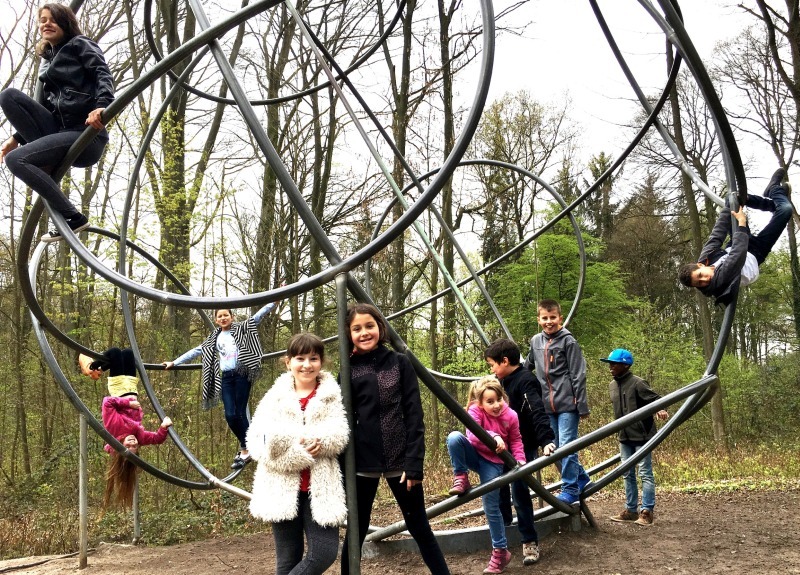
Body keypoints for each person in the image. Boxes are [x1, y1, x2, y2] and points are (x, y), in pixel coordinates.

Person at [340, 302, 450, 575]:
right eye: (356, 328)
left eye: (369, 326)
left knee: (418, 525)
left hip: (401, 459)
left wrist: (415, 462)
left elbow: (414, 414)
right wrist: (343, 469)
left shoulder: (399, 363)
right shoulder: (348, 370)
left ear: (380, 327)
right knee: (357, 529)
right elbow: (341, 420)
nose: (364, 332)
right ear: (348, 333)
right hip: (362, 462)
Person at [0, 3, 114, 243]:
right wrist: (17, 137)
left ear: (65, 23)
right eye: (42, 20)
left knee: (16, 159)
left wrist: (102, 105)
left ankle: (74, 217)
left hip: (86, 134)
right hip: (60, 131)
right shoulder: (48, 61)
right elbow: (48, 107)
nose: (46, 24)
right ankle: (46, 162)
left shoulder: (80, 44)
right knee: (8, 96)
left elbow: (101, 72)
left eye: (52, 19)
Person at [247, 333, 349, 575]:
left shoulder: (331, 395)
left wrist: (320, 442)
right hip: (280, 487)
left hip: (321, 487)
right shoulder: (274, 398)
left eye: (313, 358)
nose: (306, 365)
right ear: (288, 362)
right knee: (287, 559)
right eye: (300, 358)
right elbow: (256, 441)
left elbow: (340, 434)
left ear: (321, 362)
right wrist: (296, 452)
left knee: (323, 554)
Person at [163, 302, 278, 470]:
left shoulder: (241, 329)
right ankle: (251, 445)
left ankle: (246, 450)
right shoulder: (214, 338)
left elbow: (258, 316)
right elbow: (196, 351)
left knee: (239, 413)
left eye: (226, 315)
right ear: (216, 320)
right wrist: (175, 362)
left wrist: (274, 301)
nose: (223, 318)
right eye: (219, 316)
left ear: (232, 317)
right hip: (226, 377)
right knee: (230, 415)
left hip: (241, 374)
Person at [485, 338, 556, 566]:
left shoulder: (526, 381)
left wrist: (546, 440)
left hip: (521, 446)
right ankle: (504, 536)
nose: (492, 369)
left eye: (492, 364)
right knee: (499, 488)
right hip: (500, 445)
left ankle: (529, 541)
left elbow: (537, 410)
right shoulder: (499, 382)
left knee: (520, 491)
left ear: (505, 361)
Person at [678, 168, 793, 306]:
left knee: (732, 198)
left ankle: (770, 201)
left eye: (701, 275)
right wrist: (741, 223)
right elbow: (736, 257)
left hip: (737, 242)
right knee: (786, 210)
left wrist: (730, 208)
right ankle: (774, 190)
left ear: (700, 265)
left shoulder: (705, 258)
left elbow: (717, 234)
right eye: (700, 283)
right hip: (757, 253)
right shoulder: (717, 283)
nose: (705, 280)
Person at [446, 376, 525, 574]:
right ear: (480, 403)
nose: (496, 405)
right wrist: (494, 435)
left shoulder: (511, 416)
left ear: (503, 397)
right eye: (490, 402)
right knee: (454, 437)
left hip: (494, 463)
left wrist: (520, 460)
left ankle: (500, 552)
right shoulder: (474, 410)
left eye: (499, 399)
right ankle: (461, 476)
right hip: (475, 455)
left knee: (490, 505)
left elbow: (515, 440)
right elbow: (472, 435)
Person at [523, 299, 591, 505]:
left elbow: (578, 374)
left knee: (566, 446)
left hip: (567, 404)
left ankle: (570, 487)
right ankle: (580, 477)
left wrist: (582, 405)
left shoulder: (568, 342)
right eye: (545, 318)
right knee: (552, 447)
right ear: (539, 319)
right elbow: (527, 367)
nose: (549, 322)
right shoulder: (536, 342)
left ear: (560, 318)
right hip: (545, 405)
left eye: (553, 318)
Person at [601, 348, 669, 527]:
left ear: (625, 365)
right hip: (624, 436)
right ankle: (631, 510)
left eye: (614, 364)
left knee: (645, 473)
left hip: (642, 435)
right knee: (627, 473)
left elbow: (657, 399)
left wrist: (660, 409)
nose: (610, 367)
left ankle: (647, 511)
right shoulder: (612, 386)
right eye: (609, 364)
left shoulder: (638, 383)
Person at [101, 394, 172, 508]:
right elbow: (157, 438)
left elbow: (107, 402)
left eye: (128, 447)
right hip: (132, 390)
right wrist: (164, 427)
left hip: (120, 390)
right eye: (135, 447)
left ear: (120, 447)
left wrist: (128, 403)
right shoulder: (140, 437)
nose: (133, 443)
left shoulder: (114, 428)